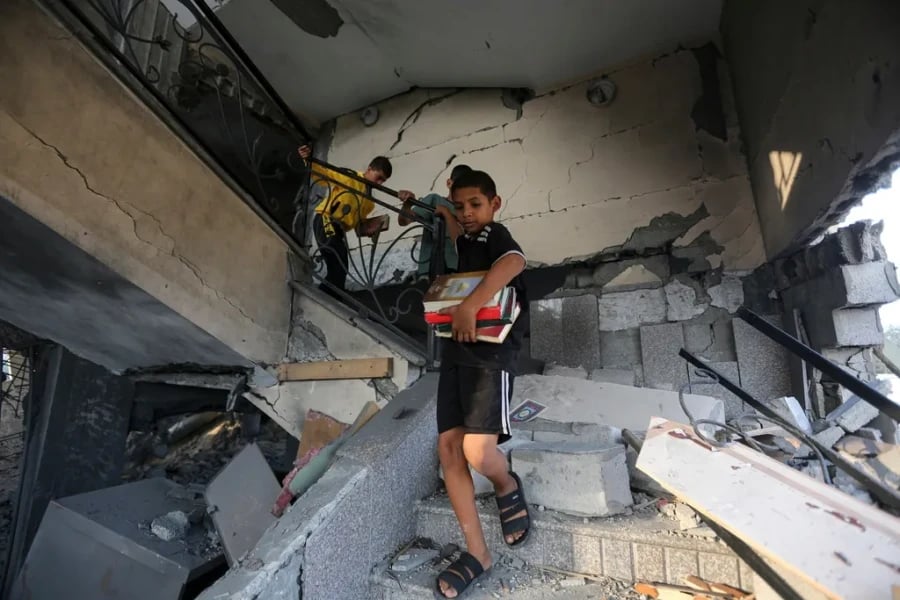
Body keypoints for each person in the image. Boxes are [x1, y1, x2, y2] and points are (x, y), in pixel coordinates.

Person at [433, 170, 531, 599]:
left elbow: (514, 262)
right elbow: (456, 231)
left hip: (491, 354)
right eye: (461, 207)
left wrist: (470, 305)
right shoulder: (467, 239)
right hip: (456, 352)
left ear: (495, 203)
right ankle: (478, 552)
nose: (467, 214)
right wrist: (443, 211)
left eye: (475, 204)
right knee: (449, 449)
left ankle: (506, 484)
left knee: (477, 451)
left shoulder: (496, 234)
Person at [298, 145, 414, 294]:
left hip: (338, 230)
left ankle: (328, 296)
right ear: (369, 169)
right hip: (326, 219)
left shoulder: (369, 202)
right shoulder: (350, 177)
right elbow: (324, 173)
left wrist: (370, 229)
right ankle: (326, 295)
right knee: (338, 260)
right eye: (378, 177)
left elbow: (358, 228)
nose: (379, 183)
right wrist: (308, 159)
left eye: (383, 181)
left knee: (341, 268)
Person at [397, 164, 473, 279]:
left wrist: (447, 213)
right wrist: (407, 205)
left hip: (458, 270)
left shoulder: (467, 212)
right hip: (431, 269)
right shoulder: (435, 200)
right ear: (449, 183)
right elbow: (404, 221)